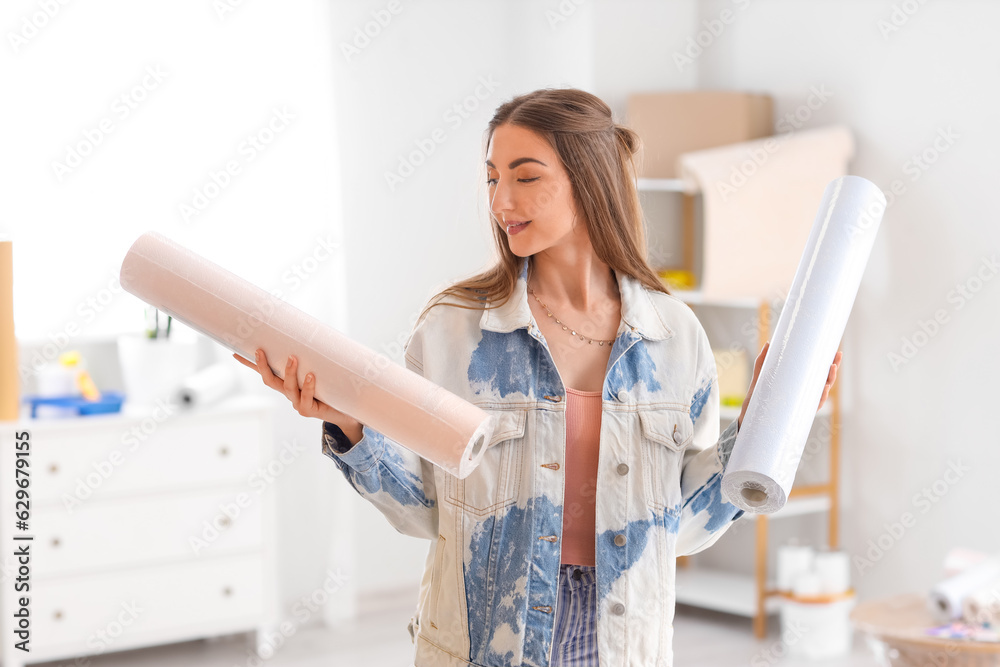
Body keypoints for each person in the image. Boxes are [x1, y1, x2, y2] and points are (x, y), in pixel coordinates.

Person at [235, 88, 841, 667]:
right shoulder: (453, 332)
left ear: (590, 184)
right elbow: (424, 511)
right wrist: (346, 422)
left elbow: (680, 527)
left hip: (621, 638)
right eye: (494, 178)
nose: (501, 202)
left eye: (526, 177)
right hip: (487, 636)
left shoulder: (675, 337)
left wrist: (768, 418)